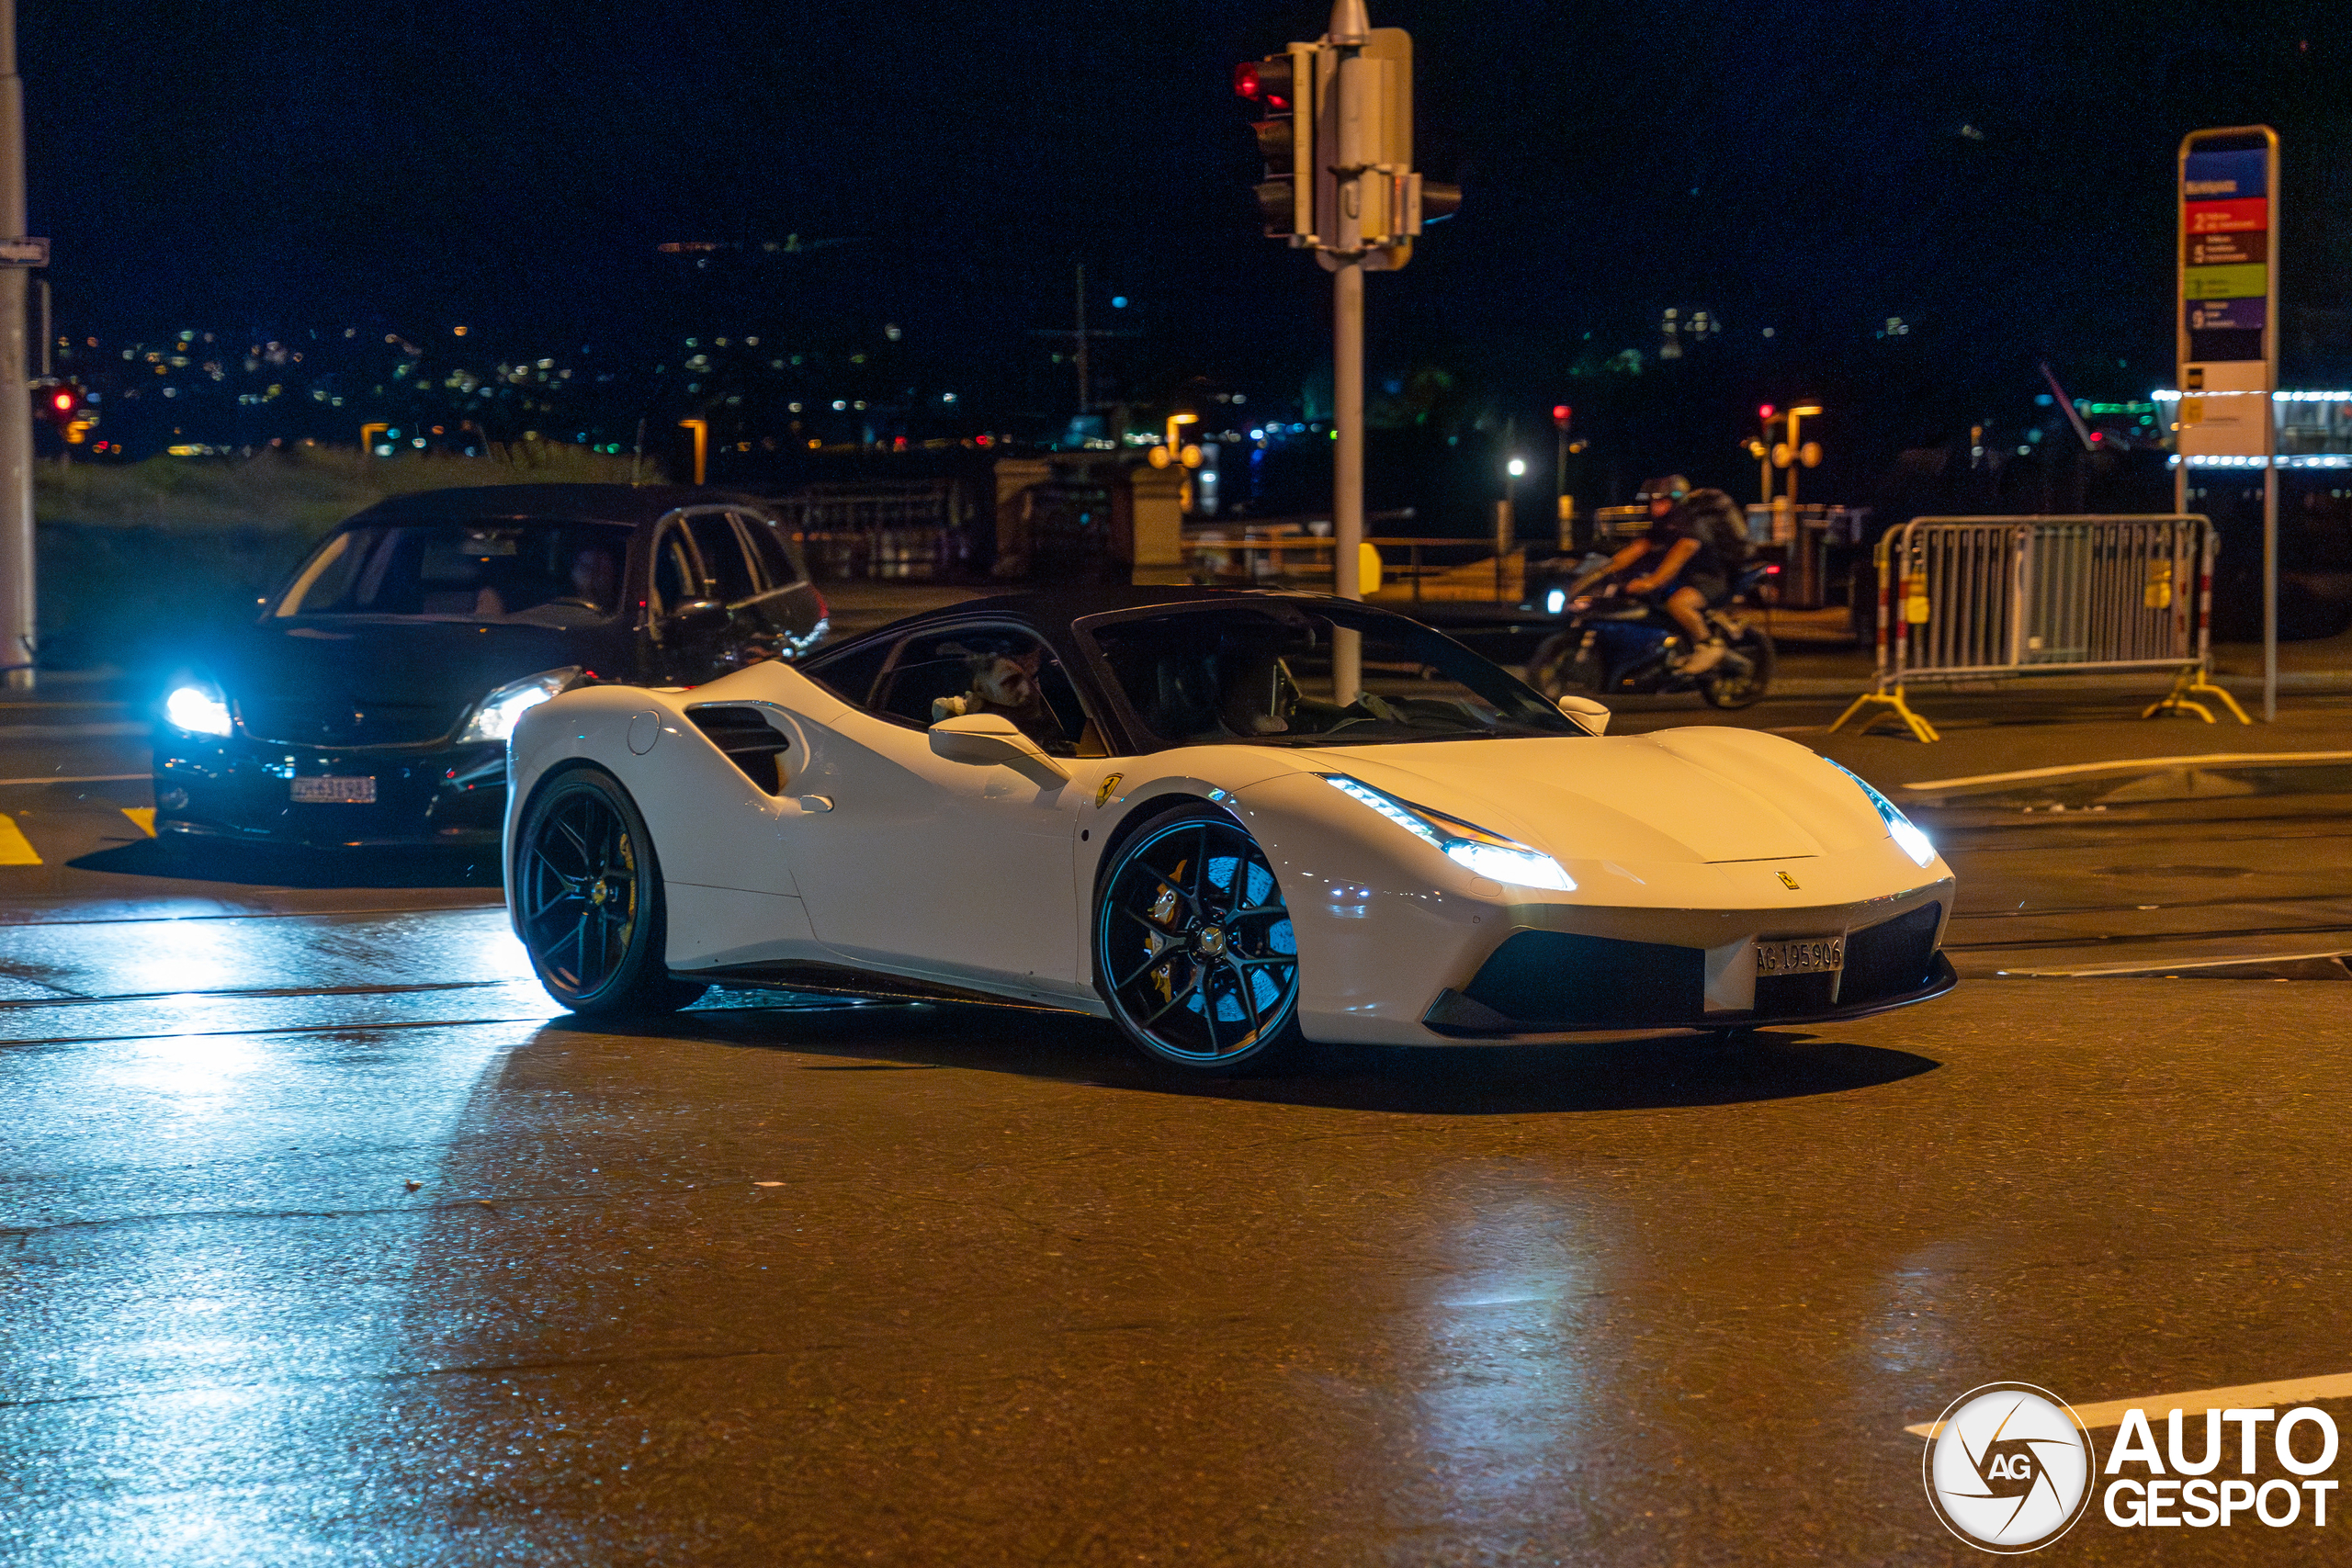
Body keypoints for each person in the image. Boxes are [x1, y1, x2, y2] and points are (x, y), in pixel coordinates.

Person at [1568, 476, 1732, 672]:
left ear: (1676, 502)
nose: (1656, 506)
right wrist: (1597, 574)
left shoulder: (1692, 523)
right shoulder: (1660, 524)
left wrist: (1652, 581)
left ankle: (1710, 645)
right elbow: (1636, 549)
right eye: (1653, 501)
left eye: (1662, 501)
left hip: (1707, 579)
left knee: (1677, 604)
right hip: (1682, 580)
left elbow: (1682, 552)